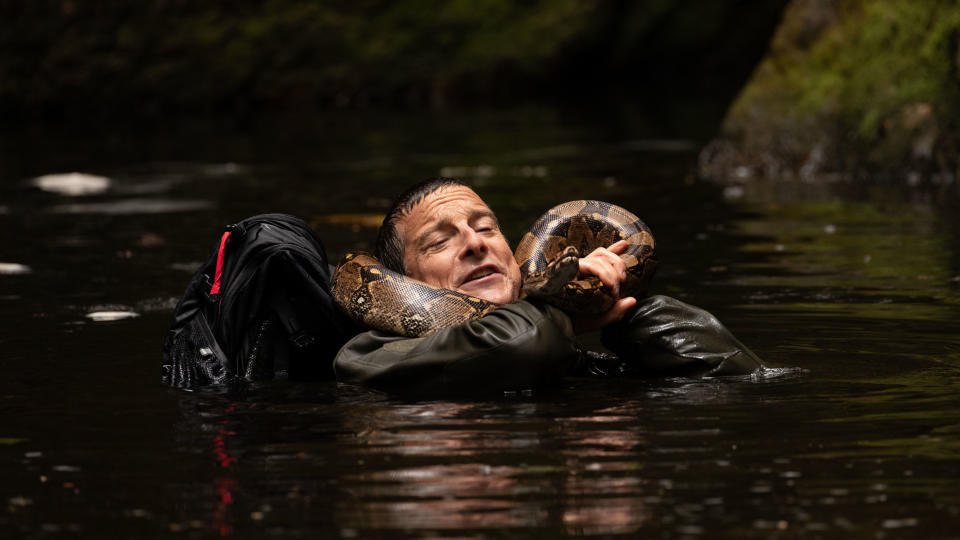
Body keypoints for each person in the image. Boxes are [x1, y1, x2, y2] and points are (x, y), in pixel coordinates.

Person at [333, 178, 764, 395]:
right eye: (440, 241)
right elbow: (517, 341)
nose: (475, 243)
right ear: (400, 281)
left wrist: (619, 305)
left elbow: (740, 377)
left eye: (486, 228)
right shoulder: (367, 355)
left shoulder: (566, 342)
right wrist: (565, 309)